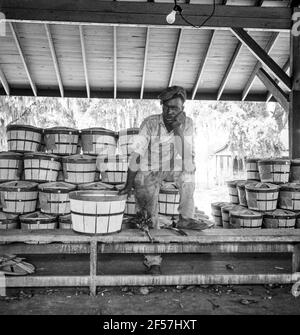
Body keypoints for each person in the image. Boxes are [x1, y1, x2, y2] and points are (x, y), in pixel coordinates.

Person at [119, 85, 211, 275]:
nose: (170, 111)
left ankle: (186, 218)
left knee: (189, 169)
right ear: (162, 107)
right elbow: (136, 154)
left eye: (175, 108)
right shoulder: (150, 123)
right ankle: (153, 260)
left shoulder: (188, 124)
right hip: (148, 169)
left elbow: (186, 155)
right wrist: (129, 184)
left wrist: (177, 128)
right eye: (166, 107)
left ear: (182, 109)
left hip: (172, 166)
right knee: (147, 217)